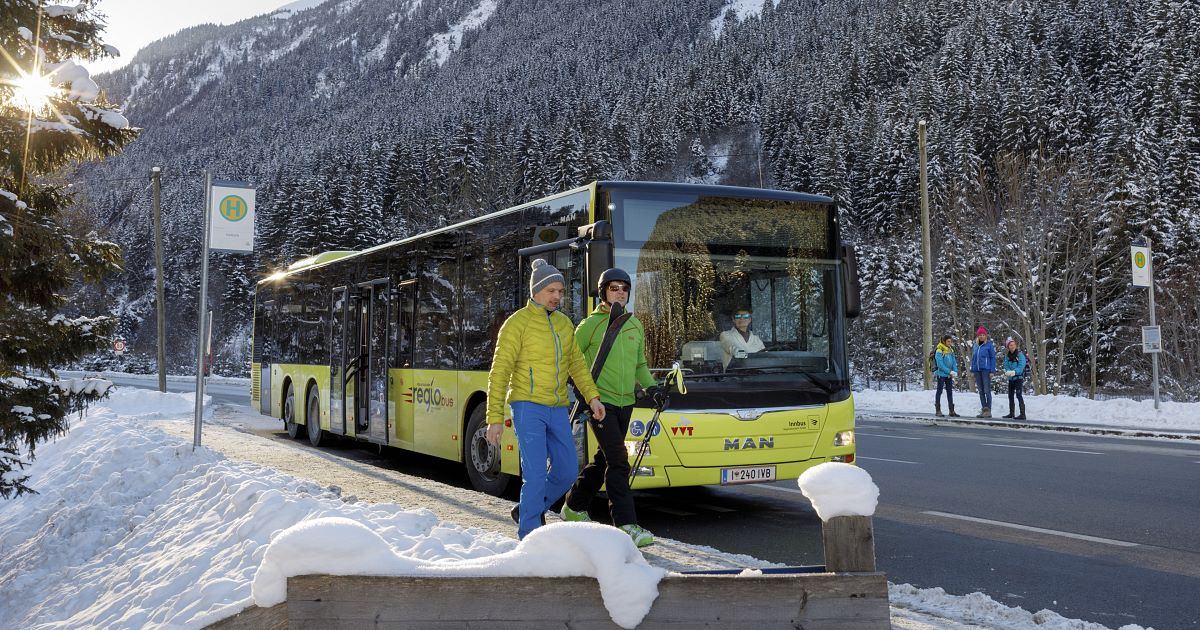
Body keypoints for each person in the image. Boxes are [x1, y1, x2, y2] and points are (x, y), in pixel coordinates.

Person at [485, 258, 606, 540]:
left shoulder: (564, 324)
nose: (557, 296)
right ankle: (530, 535)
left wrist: (593, 398)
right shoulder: (517, 324)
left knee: (566, 472)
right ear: (536, 291)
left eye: (560, 291)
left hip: (557, 406)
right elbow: (499, 372)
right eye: (551, 290)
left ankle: (527, 508)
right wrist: (494, 419)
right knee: (536, 474)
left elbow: (577, 366)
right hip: (527, 406)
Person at [559, 268, 656, 548]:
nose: (620, 292)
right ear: (603, 292)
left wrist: (652, 388)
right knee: (618, 460)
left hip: (627, 402)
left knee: (604, 458)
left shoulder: (634, 325)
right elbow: (571, 363)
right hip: (601, 403)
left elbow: (640, 365)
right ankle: (626, 524)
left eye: (624, 288)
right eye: (614, 288)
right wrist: (588, 397)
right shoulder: (591, 325)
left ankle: (573, 506)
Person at [970, 325, 996, 418]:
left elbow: (993, 358)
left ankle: (988, 410)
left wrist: (992, 370)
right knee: (981, 391)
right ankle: (984, 410)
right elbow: (973, 358)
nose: (981, 336)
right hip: (977, 370)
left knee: (987, 390)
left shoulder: (989, 345)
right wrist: (972, 370)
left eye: (983, 335)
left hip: (986, 370)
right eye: (980, 335)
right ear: (978, 336)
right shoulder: (975, 345)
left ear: (986, 336)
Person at [934, 334, 960, 418]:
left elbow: (954, 361)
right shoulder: (939, 350)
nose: (950, 343)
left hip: (949, 375)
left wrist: (955, 371)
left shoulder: (950, 350)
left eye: (951, 341)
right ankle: (938, 410)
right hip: (941, 374)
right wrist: (949, 371)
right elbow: (940, 364)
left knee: (950, 392)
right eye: (948, 341)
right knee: (939, 391)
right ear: (944, 341)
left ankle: (951, 411)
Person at [1001, 337, 1027, 420]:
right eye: (1010, 345)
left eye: (1013, 345)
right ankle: (1011, 413)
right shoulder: (1007, 356)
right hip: (1011, 378)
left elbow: (1021, 366)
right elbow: (1006, 365)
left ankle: (1023, 414)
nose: (1012, 346)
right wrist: (1008, 371)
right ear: (1008, 347)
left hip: (1018, 378)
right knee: (1010, 395)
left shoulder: (1020, 355)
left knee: (1019, 395)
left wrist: (1014, 372)